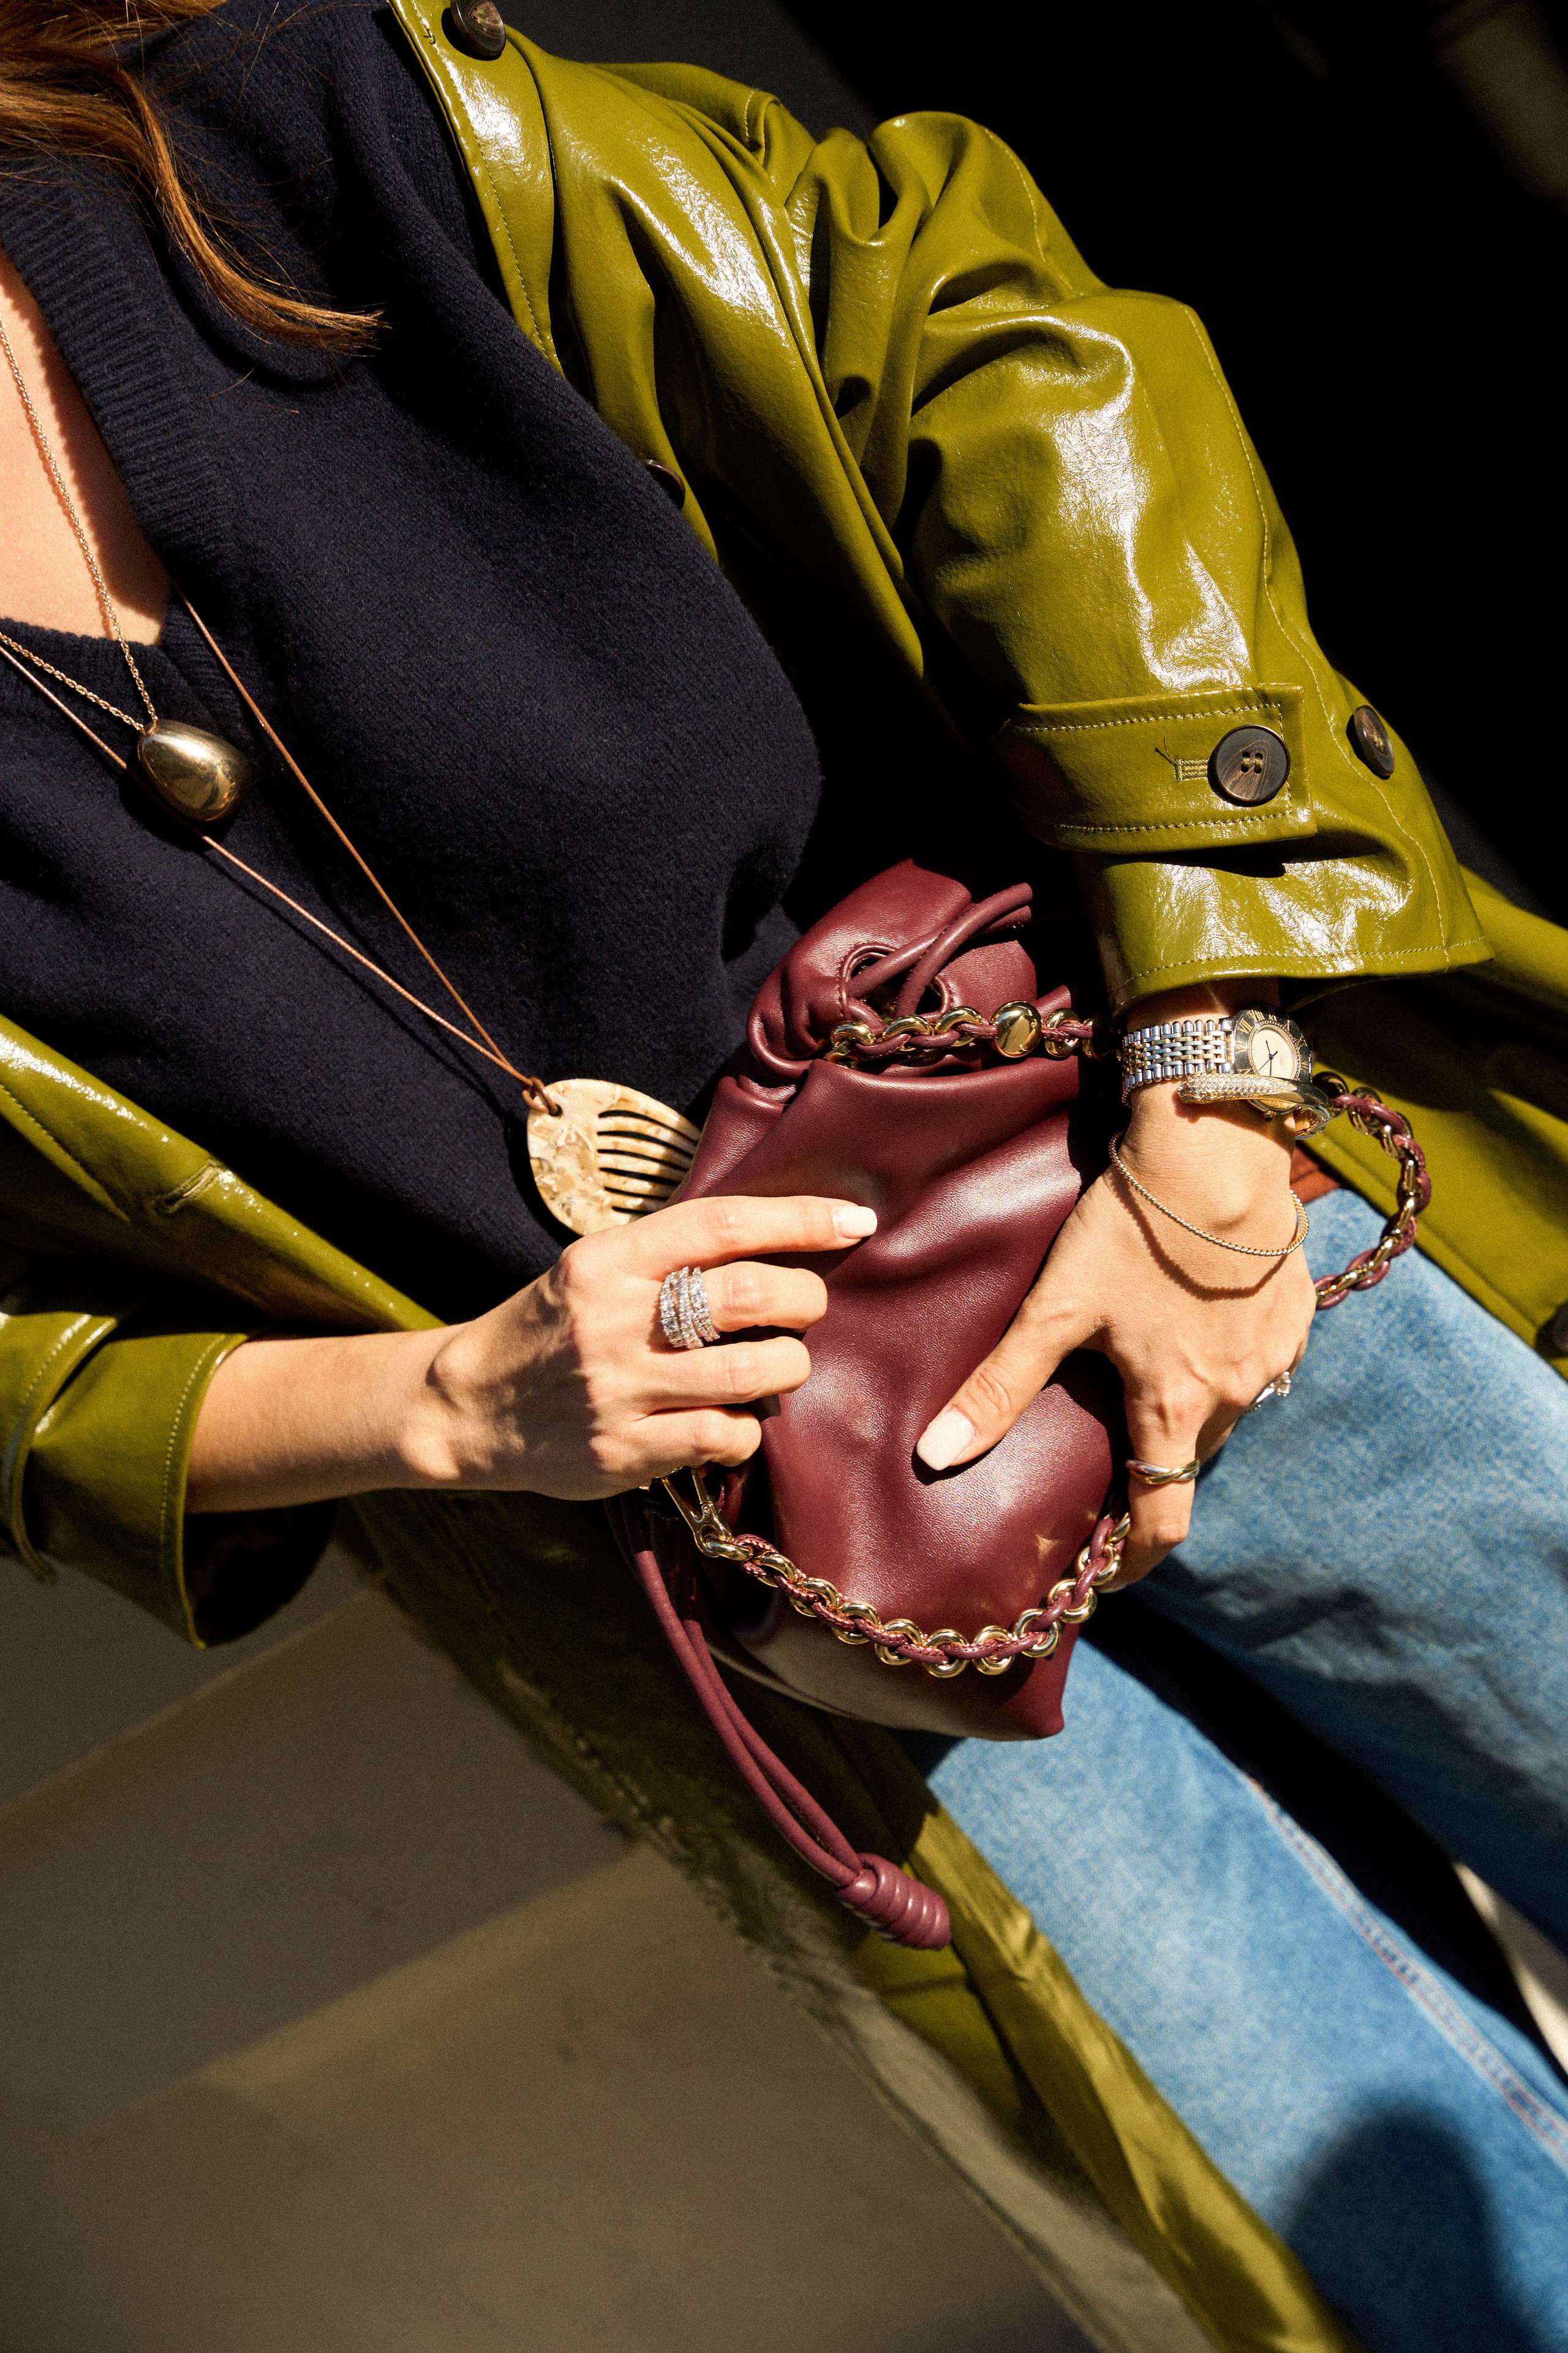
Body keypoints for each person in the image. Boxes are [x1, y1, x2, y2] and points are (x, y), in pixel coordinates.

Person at [1, 3, 1564, 2344]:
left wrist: (1227, 1073)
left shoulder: (332, 139)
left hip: (1134, 1201)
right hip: (745, 1568)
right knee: (1420, 2266)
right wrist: (438, 1404)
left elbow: (976, 334)